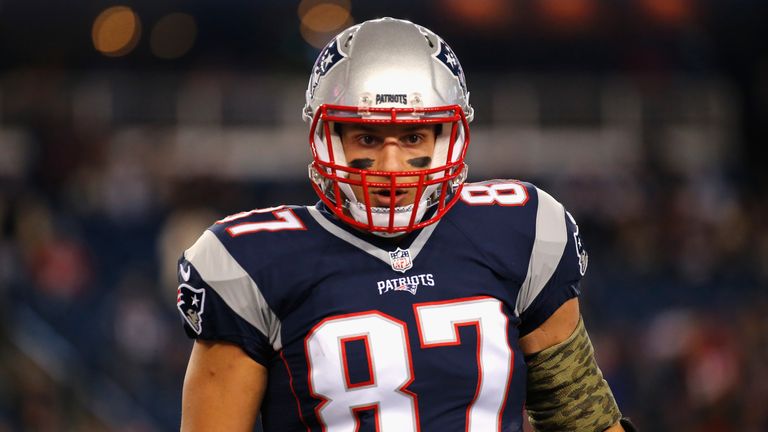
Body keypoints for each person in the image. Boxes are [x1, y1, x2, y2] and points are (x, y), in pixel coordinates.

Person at [176, 17, 636, 432]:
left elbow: (581, 417)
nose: (390, 165)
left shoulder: (520, 229)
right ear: (326, 136)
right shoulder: (254, 261)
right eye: (368, 137)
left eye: (413, 135)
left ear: (448, 137)